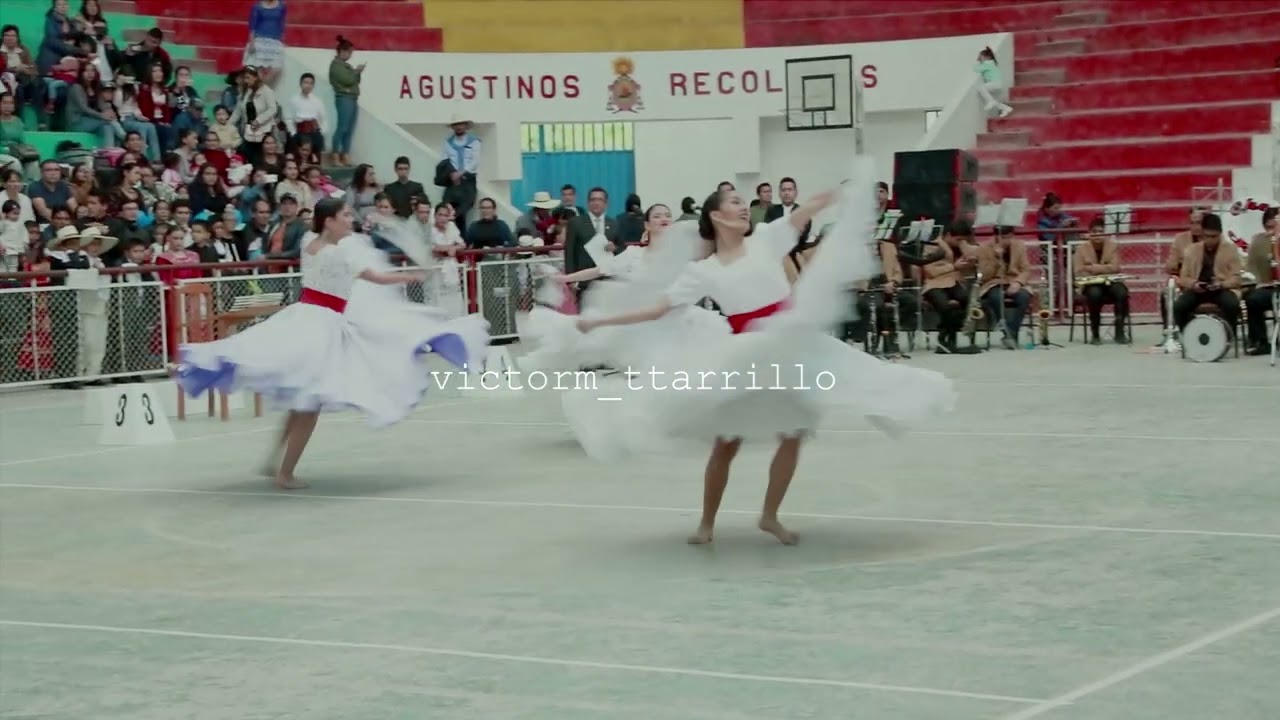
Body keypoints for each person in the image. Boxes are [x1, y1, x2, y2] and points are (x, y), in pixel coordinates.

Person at [575, 167, 956, 544]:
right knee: (727, 442)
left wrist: (845, 192)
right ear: (716, 215)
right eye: (735, 202)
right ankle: (706, 524)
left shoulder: (766, 239)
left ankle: (769, 516)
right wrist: (600, 321)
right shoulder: (703, 270)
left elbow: (807, 209)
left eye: (743, 202)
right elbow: (658, 308)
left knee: (794, 431)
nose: (744, 207)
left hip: (792, 346)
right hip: (747, 356)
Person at [172, 198, 489, 489]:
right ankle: (285, 473)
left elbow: (346, 259)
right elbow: (374, 277)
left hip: (304, 316)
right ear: (329, 221)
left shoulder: (309, 242)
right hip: (322, 324)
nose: (350, 220)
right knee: (309, 403)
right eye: (345, 216)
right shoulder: (339, 252)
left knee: (300, 395)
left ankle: (276, 462)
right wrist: (410, 276)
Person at [974, 46, 1012, 118]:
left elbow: (976, 69)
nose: (979, 59)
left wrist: (976, 65)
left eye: (980, 57)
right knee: (992, 99)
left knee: (981, 88)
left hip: (994, 83)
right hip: (996, 84)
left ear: (987, 57)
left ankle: (990, 101)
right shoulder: (991, 64)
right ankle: (1006, 108)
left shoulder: (987, 64)